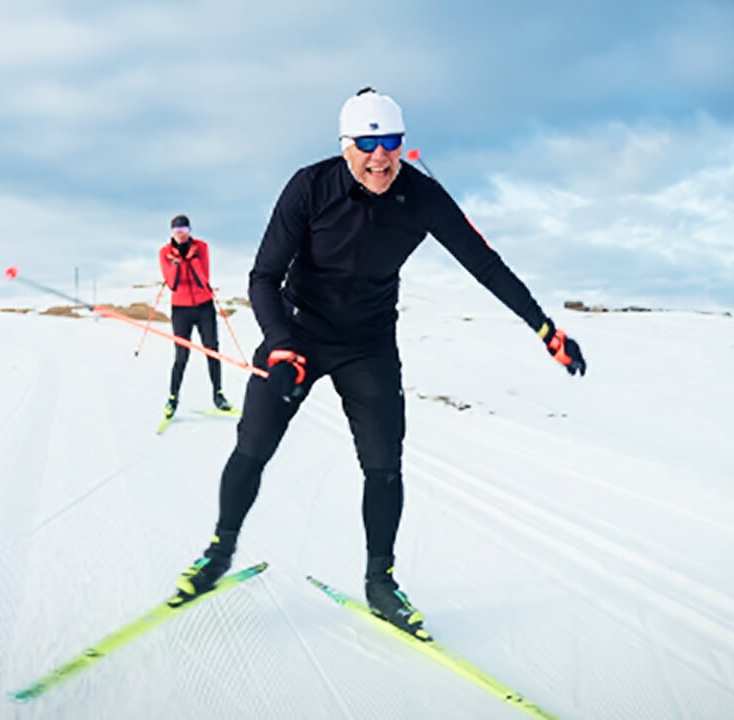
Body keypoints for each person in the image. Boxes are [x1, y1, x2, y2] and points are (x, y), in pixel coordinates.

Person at [170, 89, 586, 636]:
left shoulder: (421, 195)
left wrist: (544, 326)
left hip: (368, 343)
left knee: (384, 464)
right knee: (254, 444)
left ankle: (380, 583)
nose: (380, 157)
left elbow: (484, 263)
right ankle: (218, 554)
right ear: (346, 146)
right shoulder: (310, 186)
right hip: (299, 330)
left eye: (391, 143)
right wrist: (280, 340)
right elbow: (264, 276)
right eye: (368, 144)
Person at [158, 214, 232, 418]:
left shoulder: (202, 247)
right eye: (177, 231)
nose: (181, 235)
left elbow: (203, 279)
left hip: (204, 306)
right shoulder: (164, 253)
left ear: (190, 230)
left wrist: (192, 258)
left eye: (184, 231)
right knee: (182, 355)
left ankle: (218, 395)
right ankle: (173, 399)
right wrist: (175, 263)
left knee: (212, 350)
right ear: (172, 232)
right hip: (181, 310)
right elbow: (172, 284)